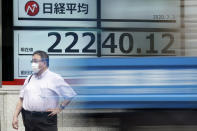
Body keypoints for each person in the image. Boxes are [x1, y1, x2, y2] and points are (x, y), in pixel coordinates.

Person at [12, 50, 77, 131]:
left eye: (35, 61)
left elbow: (70, 94)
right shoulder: (29, 78)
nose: (33, 64)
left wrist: (60, 108)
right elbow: (21, 100)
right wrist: (15, 116)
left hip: (45, 120)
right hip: (28, 119)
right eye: (32, 61)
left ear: (45, 62)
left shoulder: (55, 78)